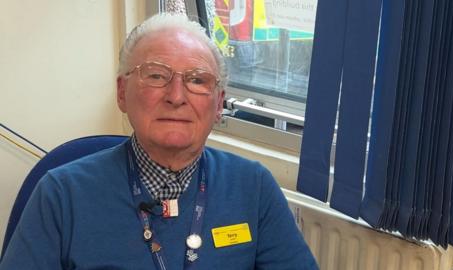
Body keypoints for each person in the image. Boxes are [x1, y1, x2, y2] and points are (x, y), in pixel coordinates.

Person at [0, 13, 318, 270]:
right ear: (122, 93)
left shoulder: (254, 187)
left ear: (219, 102)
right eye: (155, 75)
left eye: (197, 80)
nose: (176, 97)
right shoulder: (60, 194)